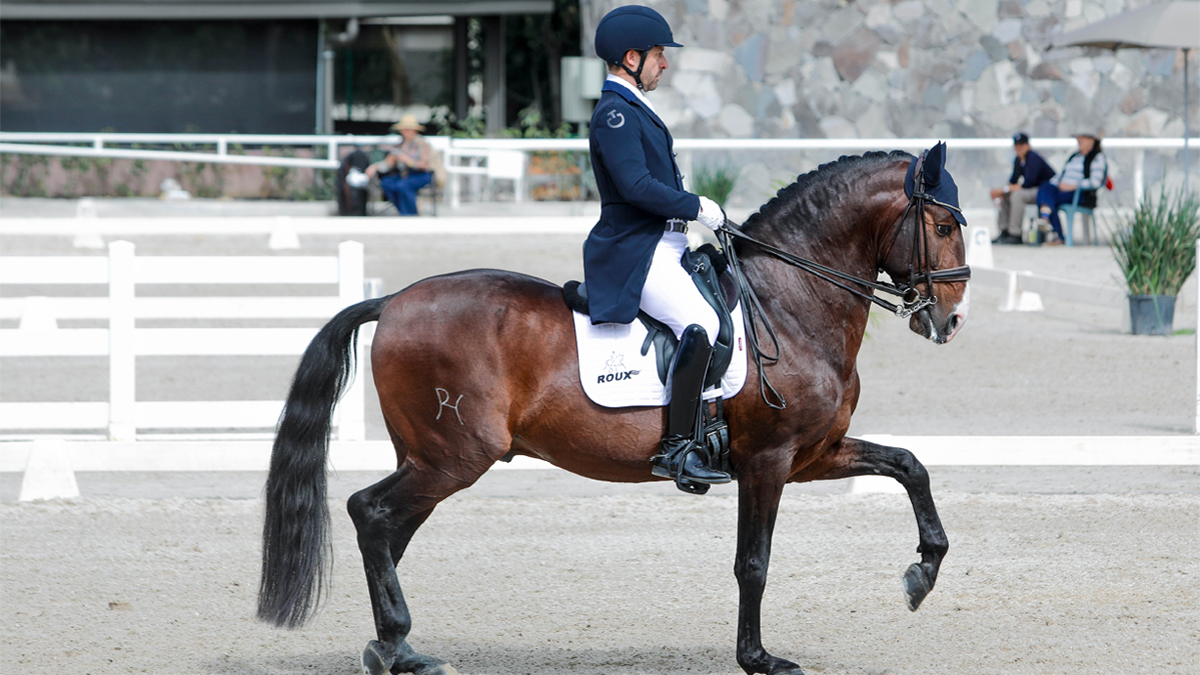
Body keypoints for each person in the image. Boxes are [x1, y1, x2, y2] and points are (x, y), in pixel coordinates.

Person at [584, 4, 731, 490]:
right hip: (637, 250)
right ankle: (677, 449)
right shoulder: (615, 113)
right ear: (632, 57)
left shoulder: (633, 107)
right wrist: (697, 206)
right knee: (701, 323)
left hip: (665, 244)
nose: (664, 64)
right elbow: (636, 186)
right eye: (659, 54)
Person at [1035, 131, 1107, 245]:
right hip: (1062, 190)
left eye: (1083, 137)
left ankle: (1049, 223)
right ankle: (1047, 221)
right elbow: (1061, 175)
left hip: (1080, 194)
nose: (1079, 140)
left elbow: (1095, 182)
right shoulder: (1075, 156)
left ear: (1091, 140)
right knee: (1045, 187)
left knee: (1048, 199)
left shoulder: (1097, 158)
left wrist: (1073, 186)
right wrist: (1056, 184)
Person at [990, 132, 1056, 244]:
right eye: (1017, 145)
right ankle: (1004, 230)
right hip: (1031, 189)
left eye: (1022, 144)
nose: (1019, 148)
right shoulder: (1018, 160)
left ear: (1028, 145)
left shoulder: (1034, 158)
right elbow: (1013, 181)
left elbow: (1028, 184)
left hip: (1044, 191)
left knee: (1017, 195)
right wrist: (1001, 192)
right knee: (1006, 195)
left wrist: (1004, 190)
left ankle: (1015, 233)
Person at [366, 114, 433, 216]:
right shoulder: (399, 145)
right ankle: (404, 210)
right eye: (403, 129)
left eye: (408, 129)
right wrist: (374, 166)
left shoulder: (422, 144)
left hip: (421, 174)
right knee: (387, 183)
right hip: (405, 175)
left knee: (403, 186)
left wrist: (408, 161)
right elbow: (388, 162)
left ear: (414, 130)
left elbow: (424, 165)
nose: (405, 132)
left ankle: (411, 213)